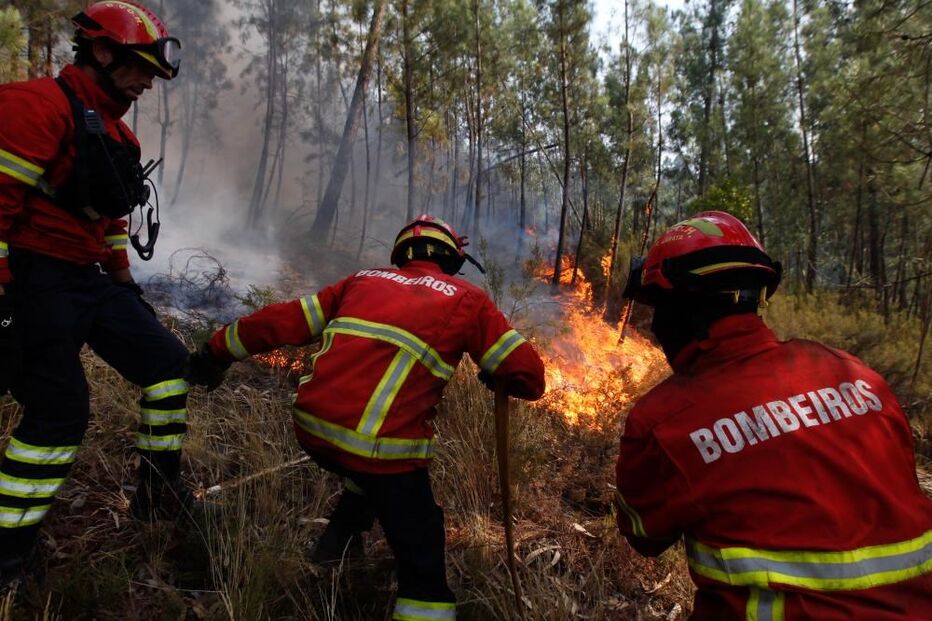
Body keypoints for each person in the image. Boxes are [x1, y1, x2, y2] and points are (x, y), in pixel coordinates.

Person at [187, 214, 546, 620]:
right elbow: (529, 377)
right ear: (450, 260)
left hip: (311, 428)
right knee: (423, 558)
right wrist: (495, 372)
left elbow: (277, 322)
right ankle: (423, 605)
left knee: (367, 471)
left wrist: (214, 354)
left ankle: (333, 545)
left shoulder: (362, 280)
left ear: (400, 255)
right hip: (379, 449)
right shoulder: (466, 298)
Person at [614, 211, 932, 620]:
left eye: (658, 308)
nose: (656, 326)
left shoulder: (665, 421)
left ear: (681, 311)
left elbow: (643, 534)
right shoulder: (857, 375)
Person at [0, 1, 188, 586]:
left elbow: (108, 217)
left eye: (153, 77)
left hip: (88, 280)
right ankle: (8, 552)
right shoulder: (32, 106)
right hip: (34, 278)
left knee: (168, 367)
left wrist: (125, 284)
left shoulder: (116, 131)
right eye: (139, 70)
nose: (145, 85)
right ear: (102, 52)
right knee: (59, 413)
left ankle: (157, 497)